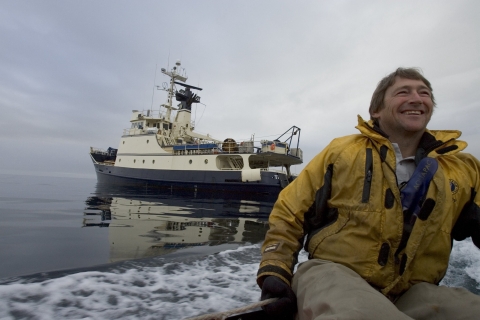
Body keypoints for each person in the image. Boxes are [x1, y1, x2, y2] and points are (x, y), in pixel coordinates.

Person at [257, 68, 480, 320]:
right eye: (403, 92)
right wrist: (276, 270)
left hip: (415, 291)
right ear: (376, 110)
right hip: (333, 273)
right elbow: (289, 213)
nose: (417, 98)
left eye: (424, 93)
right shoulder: (341, 152)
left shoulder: (465, 169)